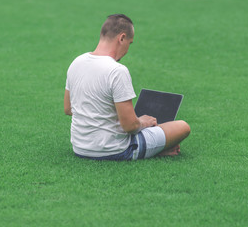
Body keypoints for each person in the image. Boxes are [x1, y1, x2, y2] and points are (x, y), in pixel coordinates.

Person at [64, 14, 190, 160]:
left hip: (80, 148)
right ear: (122, 38)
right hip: (115, 150)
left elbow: (68, 109)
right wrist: (143, 122)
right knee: (182, 126)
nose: (127, 50)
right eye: (130, 43)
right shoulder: (117, 71)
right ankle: (154, 150)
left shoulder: (76, 62)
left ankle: (156, 149)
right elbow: (130, 126)